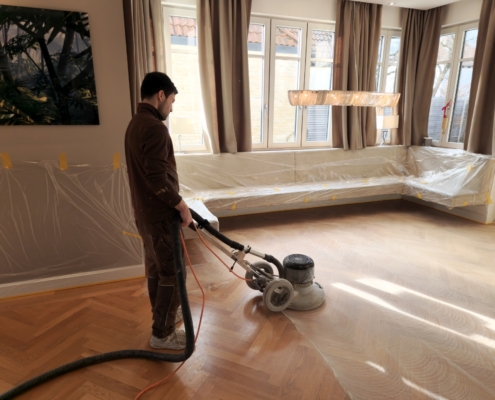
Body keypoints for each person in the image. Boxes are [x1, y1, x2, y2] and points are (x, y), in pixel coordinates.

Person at [125, 72, 193, 350]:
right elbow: (157, 180)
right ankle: (162, 334)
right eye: (172, 101)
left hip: (145, 215)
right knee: (174, 273)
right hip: (160, 217)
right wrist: (182, 206)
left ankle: (162, 315)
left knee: (157, 270)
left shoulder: (135, 123)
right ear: (161, 95)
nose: (171, 108)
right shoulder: (154, 128)